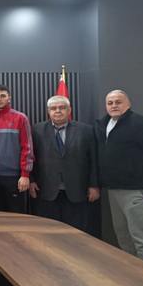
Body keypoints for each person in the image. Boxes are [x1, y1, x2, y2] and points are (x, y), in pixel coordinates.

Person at [95, 90, 143, 265]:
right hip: (113, 189)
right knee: (123, 234)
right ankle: (131, 271)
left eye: (118, 102)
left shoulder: (141, 123)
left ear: (128, 104)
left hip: (135, 190)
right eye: (110, 103)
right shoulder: (103, 125)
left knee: (142, 236)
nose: (114, 105)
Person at [30, 96, 99, 231]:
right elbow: (31, 157)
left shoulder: (86, 130)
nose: (57, 111)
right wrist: (31, 180)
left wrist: (94, 185)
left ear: (69, 110)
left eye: (62, 108)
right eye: (53, 108)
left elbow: (93, 160)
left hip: (77, 190)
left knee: (76, 230)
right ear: (48, 111)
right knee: (49, 230)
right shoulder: (37, 130)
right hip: (47, 190)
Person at [0, 85, 33, 213]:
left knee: (17, 217)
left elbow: (27, 148)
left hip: (15, 178)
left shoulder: (21, 118)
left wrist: (25, 175)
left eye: (3, 96)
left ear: (9, 98)